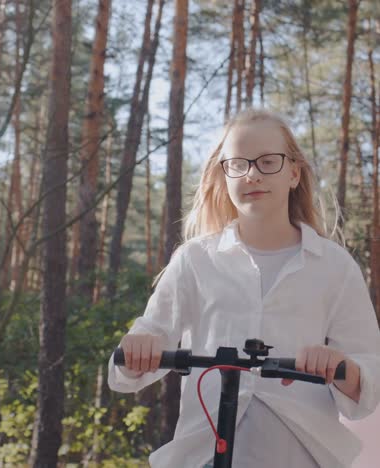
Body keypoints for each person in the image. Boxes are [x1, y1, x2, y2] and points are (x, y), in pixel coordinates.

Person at [107, 108, 380, 468]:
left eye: (268, 162)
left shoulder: (334, 266)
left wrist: (342, 366)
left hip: (301, 455)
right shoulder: (194, 260)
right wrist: (137, 348)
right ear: (224, 175)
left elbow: (369, 376)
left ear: (294, 173)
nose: (252, 174)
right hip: (205, 454)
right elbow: (130, 363)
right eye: (238, 164)